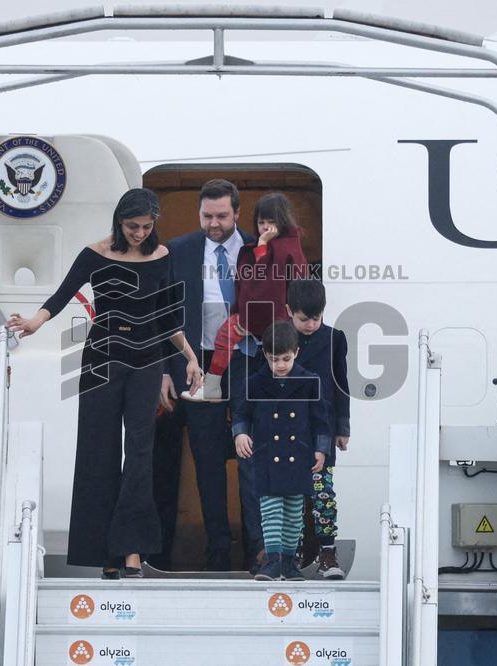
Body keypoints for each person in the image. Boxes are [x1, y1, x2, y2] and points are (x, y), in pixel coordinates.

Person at [6, 188, 202, 580]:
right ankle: (105, 553)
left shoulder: (161, 256)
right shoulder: (94, 254)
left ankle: (131, 550)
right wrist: (34, 323)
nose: (140, 233)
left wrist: (190, 355)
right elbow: (61, 296)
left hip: (146, 360)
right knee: (99, 451)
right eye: (133, 226)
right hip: (102, 359)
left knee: (140, 454)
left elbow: (166, 317)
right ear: (119, 222)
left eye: (147, 227)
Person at [156, 179, 264, 571]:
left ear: (237, 212)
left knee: (254, 455)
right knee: (205, 458)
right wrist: (166, 370)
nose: (214, 223)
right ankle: (217, 547)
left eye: (221, 216)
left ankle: (259, 547)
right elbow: (162, 313)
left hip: (248, 361)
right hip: (198, 364)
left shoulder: (258, 249)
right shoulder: (179, 250)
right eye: (207, 216)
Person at [182, 192, 308, 402]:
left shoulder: (279, 249)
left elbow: (263, 282)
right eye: (261, 222)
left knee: (225, 339)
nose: (266, 228)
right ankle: (213, 387)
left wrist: (249, 319)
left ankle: (212, 387)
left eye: (271, 222)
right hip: (264, 318)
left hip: (261, 317)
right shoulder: (283, 247)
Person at [232, 320, 331, 581]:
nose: (280, 365)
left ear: (296, 353)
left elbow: (321, 420)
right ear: (265, 354)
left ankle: (289, 562)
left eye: (286, 359)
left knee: (294, 511)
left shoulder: (310, 381)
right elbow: (241, 412)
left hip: (299, 454)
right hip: (267, 454)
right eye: (274, 359)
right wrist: (240, 433)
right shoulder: (255, 382)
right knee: (270, 509)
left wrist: (321, 450)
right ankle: (273, 560)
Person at [285, 279, 351, 579]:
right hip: (285, 428)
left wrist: (342, 427)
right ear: (289, 312)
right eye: (303, 318)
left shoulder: (336, 338)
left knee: (323, 493)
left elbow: (341, 384)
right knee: (290, 495)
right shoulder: (279, 338)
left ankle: (327, 551)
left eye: (316, 318)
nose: (310, 324)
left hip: (321, 427)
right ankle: (292, 554)